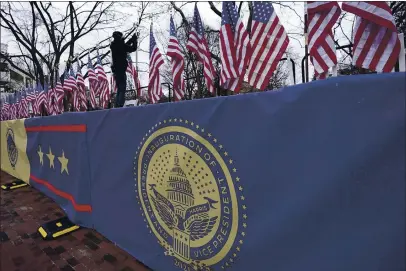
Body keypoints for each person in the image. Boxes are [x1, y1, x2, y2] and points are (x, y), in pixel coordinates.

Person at [110, 31, 138, 108]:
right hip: (120, 69)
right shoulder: (120, 45)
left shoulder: (114, 45)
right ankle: (119, 104)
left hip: (116, 70)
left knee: (120, 88)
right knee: (122, 88)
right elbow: (133, 48)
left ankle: (117, 104)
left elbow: (124, 46)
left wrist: (131, 39)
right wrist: (135, 40)